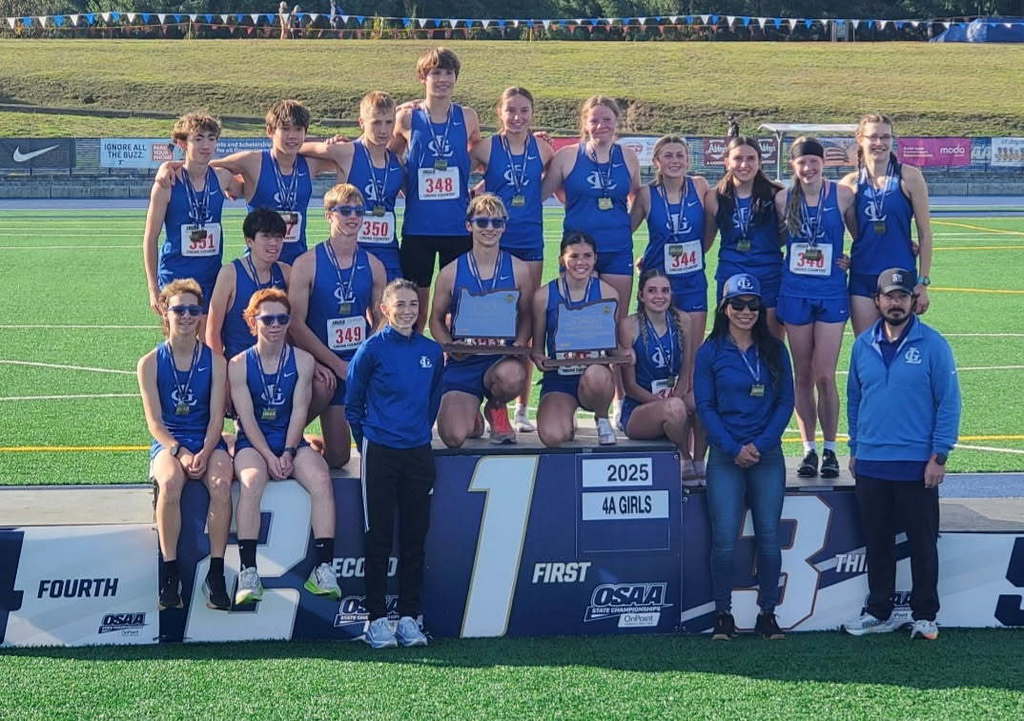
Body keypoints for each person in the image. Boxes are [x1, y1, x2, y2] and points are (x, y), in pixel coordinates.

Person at [843, 268, 960, 641]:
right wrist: (856, 448)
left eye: (902, 296)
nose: (896, 302)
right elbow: (855, 399)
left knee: (922, 543)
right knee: (877, 544)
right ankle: (880, 610)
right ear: (877, 300)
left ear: (914, 300)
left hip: (916, 465)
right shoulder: (863, 345)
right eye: (889, 296)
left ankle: (926, 615)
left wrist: (939, 456)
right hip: (873, 463)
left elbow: (949, 403)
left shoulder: (933, 345)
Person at [695, 273, 794, 641]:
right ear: (725, 308)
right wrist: (734, 448)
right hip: (725, 455)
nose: (746, 311)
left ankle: (768, 613)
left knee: (769, 536)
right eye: (738, 304)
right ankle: (723, 614)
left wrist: (762, 445)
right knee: (723, 539)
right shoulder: (710, 352)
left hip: (766, 454)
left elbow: (786, 401)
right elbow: (705, 406)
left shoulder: (774, 349)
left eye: (753, 305)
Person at [345, 279, 444, 649]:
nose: (407, 311)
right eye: (399, 304)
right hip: (380, 452)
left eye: (413, 304)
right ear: (385, 309)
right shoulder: (371, 350)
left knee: (415, 538)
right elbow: (352, 403)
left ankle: (408, 617)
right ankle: (374, 619)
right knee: (379, 537)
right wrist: (368, 441)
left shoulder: (431, 352)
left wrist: (417, 431)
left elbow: (433, 400)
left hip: (418, 452)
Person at [228, 288, 340, 605]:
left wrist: (289, 452)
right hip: (254, 442)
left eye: (282, 318)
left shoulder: (303, 361)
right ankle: (248, 572)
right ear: (253, 322)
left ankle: (323, 569)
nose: (275, 325)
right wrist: (269, 456)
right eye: (268, 319)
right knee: (251, 482)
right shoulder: (238, 365)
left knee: (320, 479)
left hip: (290, 441)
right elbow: (246, 419)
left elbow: (300, 411)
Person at [137, 279, 232, 611]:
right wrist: (180, 452)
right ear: (165, 311)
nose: (187, 316)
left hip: (206, 440)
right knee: (170, 482)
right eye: (179, 309)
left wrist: (205, 451)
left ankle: (216, 573)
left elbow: (217, 417)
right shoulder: (149, 362)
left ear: (201, 315)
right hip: (171, 442)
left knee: (221, 483)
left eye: (194, 310)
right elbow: (154, 423)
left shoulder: (215, 361)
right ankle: (170, 570)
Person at [774, 137, 856, 480]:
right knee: (802, 375)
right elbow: (773, 241)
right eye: (802, 163)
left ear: (823, 164)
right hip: (795, 292)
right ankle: (808, 449)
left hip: (831, 293)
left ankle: (831, 449)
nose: (808, 169)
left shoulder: (842, 195)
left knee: (825, 374)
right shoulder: (783, 198)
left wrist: (853, 258)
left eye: (814, 162)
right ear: (793, 166)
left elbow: (862, 236)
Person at [473, 86, 554, 432]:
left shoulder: (543, 148)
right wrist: (478, 197)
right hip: (495, 241)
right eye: (511, 111)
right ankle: (486, 397)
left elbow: (548, 186)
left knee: (528, 317)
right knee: (491, 316)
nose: (517, 117)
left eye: (524, 111)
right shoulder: (487, 147)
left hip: (530, 239)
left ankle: (522, 407)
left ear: (533, 114)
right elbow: (454, 173)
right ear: (499, 113)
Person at [288, 184, 385, 468]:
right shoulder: (306, 264)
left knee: (340, 458)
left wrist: (361, 359)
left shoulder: (374, 265)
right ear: (329, 215)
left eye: (358, 211)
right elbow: (296, 324)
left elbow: (381, 319)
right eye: (344, 211)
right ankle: (293, 437)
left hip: (355, 362)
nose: (352, 217)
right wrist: (334, 363)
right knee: (322, 388)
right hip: (322, 366)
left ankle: (316, 444)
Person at [631, 135, 710, 479]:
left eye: (680, 155)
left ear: (688, 161)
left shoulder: (701, 187)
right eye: (668, 156)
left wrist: (696, 256)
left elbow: (709, 231)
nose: (675, 160)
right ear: (657, 162)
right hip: (659, 279)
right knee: (645, 342)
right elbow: (626, 229)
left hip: (692, 281)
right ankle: (636, 400)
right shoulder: (647, 195)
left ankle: (698, 454)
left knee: (692, 351)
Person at [430, 194, 531, 447]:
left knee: (512, 377)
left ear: (504, 227)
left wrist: (519, 343)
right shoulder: (450, 272)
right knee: (454, 436)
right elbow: (435, 320)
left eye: (496, 223)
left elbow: (528, 314)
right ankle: (472, 415)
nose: (489, 229)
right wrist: (450, 348)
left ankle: (496, 407)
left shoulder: (519, 269)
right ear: (469, 225)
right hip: (464, 362)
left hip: (500, 358)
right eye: (482, 222)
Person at [390, 47, 481, 328]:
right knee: (414, 305)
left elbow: (483, 155)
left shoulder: (467, 117)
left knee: (457, 304)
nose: (442, 79)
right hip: (419, 228)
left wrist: (477, 191)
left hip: (457, 226)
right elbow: (388, 156)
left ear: (456, 78)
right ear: (423, 78)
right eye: (435, 73)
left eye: (448, 73)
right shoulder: (406, 117)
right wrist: (407, 185)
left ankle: (455, 362)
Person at [541, 95, 641, 316]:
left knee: (616, 317)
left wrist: (625, 229)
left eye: (606, 119)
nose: (600, 126)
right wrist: (536, 151)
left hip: (617, 249)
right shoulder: (567, 155)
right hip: (579, 251)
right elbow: (542, 193)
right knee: (576, 316)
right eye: (594, 120)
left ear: (616, 120)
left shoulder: (628, 157)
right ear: (585, 123)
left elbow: (637, 198)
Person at [840, 113, 934, 335]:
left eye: (885, 137)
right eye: (873, 137)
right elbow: (849, 231)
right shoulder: (850, 184)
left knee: (899, 348)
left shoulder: (909, 176)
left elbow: (925, 234)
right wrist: (840, 257)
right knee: (866, 347)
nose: (879, 143)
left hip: (900, 276)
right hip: (863, 276)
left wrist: (922, 282)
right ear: (860, 138)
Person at [299, 91, 406, 281]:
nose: (383, 130)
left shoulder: (397, 163)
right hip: (349, 250)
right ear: (362, 123)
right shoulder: (346, 152)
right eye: (376, 122)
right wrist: (327, 143)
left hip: (387, 251)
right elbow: (295, 147)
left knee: (390, 307)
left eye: (389, 122)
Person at [212, 100, 336, 264]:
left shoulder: (310, 164)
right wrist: (169, 166)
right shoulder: (253, 161)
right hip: (258, 268)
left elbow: (348, 156)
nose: (292, 135)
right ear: (270, 131)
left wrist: (336, 144)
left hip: (296, 266)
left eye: (298, 129)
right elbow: (205, 166)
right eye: (285, 129)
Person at [143, 112, 241, 318]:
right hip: (175, 277)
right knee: (179, 342)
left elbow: (246, 188)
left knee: (207, 343)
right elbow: (151, 238)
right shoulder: (166, 184)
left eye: (211, 139)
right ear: (182, 144)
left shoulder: (222, 178)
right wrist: (153, 289)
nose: (206, 145)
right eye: (198, 139)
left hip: (211, 277)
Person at [532, 231, 620, 447]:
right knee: (553, 437)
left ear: (595, 258)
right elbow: (536, 347)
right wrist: (538, 358)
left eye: (587, 256)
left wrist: (625, 353)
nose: (581, 262)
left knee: (597, 375)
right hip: (559, 377)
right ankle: (566, 418)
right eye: (574, 256)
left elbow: (613, 347)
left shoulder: (609, 294)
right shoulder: (543, 296)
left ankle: (601, 417)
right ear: (562, 259)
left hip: (594, 375)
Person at [618, 269, 696, 484]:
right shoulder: (628, 325)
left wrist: (678, 396)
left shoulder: (683, 320)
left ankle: (699, 461)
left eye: (665, 290)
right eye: (652, 291)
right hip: (638, 411)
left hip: (674, 397)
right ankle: (683, 455)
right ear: (641, 295)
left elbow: (687, 368)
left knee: (701, 399)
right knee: (675, 408)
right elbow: (630, 386)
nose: (659, 296)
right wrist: (666, 403)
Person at [703, 136, 784, 339]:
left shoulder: (777, 195)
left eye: (751, 159)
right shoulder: (715, 197)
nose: (744, 165)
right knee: (729, 341)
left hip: (769, 275)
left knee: (771, 343)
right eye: (738, 158)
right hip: (731, 274)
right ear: (726, 161)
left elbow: (792, 237)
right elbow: (703, 242)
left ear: (759, 162)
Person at [207, 209, 290, 362]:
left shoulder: (285, 272)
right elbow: (212, 331)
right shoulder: (230, 274)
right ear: (249, 241)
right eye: (266, 236)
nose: (273, 243)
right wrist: (220, 373)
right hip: (239, 365)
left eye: (278, 237)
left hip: (277, 363)